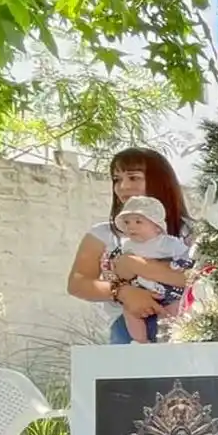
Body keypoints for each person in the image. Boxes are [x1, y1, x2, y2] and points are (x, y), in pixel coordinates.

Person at [66, 147, 193, 345]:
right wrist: (123, 292)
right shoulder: (101, 234)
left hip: (185, 325)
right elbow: (78, 283)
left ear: (160, 181)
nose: (122, 186)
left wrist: (134, 265)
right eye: (116, 179)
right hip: (127, 328)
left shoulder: (189, 232)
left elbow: (198, 279)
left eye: (133, 177)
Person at [113, 196, 191, 343]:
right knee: (129, 312)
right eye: (127, 222)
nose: (131, 226)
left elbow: (186, 257)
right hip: (141, 292)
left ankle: (168, 339)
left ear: (156, 226)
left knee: (173, 311)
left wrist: (178, 265)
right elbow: (118, 269)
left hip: (170, 292)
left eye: (138, 221)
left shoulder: (167, 243)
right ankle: (140, 341)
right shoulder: (127, 245)